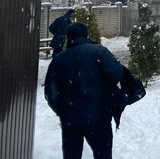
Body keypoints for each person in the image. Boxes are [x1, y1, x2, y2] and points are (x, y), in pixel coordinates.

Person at [44, 23, 124, 159]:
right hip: (98, 116)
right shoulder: (99, 51)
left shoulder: (58, 59)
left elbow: (50, 93)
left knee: (72, 155)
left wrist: (62, 111)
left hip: (70, 119)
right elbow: (117, 73)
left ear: (68, 38)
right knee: (103, 154)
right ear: (86, 35)